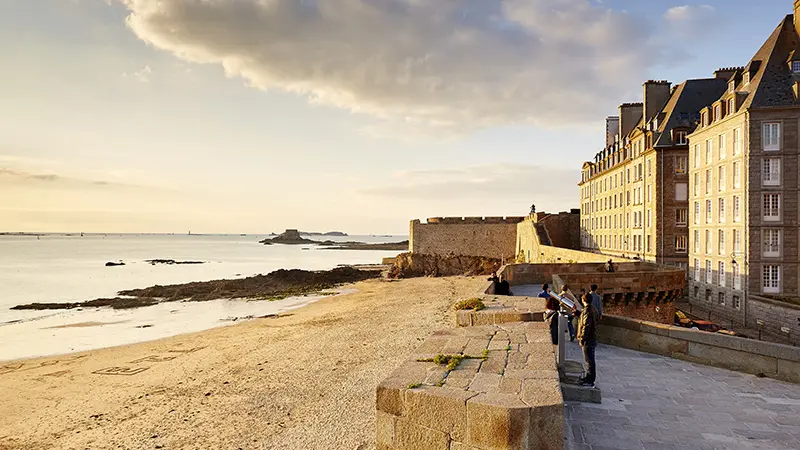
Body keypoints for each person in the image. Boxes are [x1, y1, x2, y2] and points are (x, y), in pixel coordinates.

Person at [577, 293, 600, 387]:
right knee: (589, 360)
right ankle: (588, 377)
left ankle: (590, 380)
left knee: (589, 361)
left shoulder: (587, 310)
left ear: (583, 300)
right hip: (592, 337)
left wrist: (582, 338)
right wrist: (579, 314)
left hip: (588, 339)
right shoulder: (593, 309)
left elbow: (586, 325)